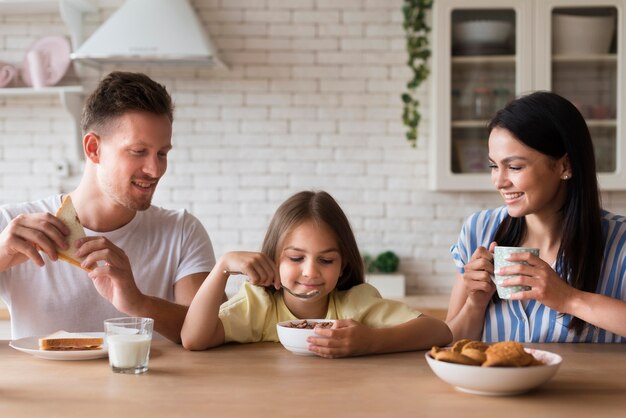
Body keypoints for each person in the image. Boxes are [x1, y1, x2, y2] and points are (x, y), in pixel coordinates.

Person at [0, 71, 215, 342]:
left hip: (147, 384)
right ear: (93, 149)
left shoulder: (182, 231)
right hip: (44, 386)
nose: (155, 169)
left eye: (162, 153)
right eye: (138, 152)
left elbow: (209, 333)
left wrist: (137, 303)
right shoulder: (11, 225)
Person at [447, 91, 626, 343]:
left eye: (515, 167)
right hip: (499, 384)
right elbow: (450, 345)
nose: (499, 181)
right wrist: (476, 303)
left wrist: (569, 299)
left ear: (565, 166)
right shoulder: (479, 230)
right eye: (493, 166)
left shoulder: (621, 242)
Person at [181, 190, 452, 357]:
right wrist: (222, 267)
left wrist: (370, 341)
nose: (310, 271)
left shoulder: (354, 304)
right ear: (273, 259)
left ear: (343, 264)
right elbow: (194, 339)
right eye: (296, 258)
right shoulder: (258, 305)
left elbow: (438, 331)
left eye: (326, 260)